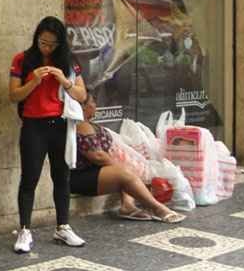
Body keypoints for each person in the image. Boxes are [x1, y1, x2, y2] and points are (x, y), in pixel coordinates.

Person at [9, 16, 87, 254]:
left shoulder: (68, 61)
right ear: (36, 38)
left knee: (61, 177)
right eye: (43, 42)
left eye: (52, 44)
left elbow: (82, 95)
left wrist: (64, 81)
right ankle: (24, 230)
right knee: (29, 178)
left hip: (60, 124)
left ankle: (63, 226)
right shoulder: (22, 59)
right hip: (33, 125)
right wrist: (34, 81)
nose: (47, 48)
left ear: (60, 43)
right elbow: (14, 95)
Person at [72, 95, 186, 223]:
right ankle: (158, 209)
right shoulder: (81, 125)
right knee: (124, 173)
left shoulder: (87, 125)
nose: (95, 105)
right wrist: (118, 167)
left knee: (125, 170)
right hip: (80, 177)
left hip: (94, 171)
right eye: (92, 102)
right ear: (82, 107)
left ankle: (128, 206)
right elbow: (97, 156)